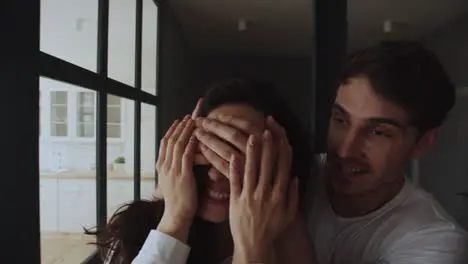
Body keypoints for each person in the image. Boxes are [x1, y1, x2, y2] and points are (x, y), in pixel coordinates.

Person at [153, 41, 467, 264]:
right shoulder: (288, 170)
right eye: (341, 119)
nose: (345, 149)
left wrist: (265, 234)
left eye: (378, 132)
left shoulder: (434, 241)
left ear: (423, 143)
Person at [86, 78, 314, 264]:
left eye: (241, 153)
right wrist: (175, 218)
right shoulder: (135, 232)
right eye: (209, 148)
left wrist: (252, 247)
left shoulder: (291, 242)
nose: (216, 173)